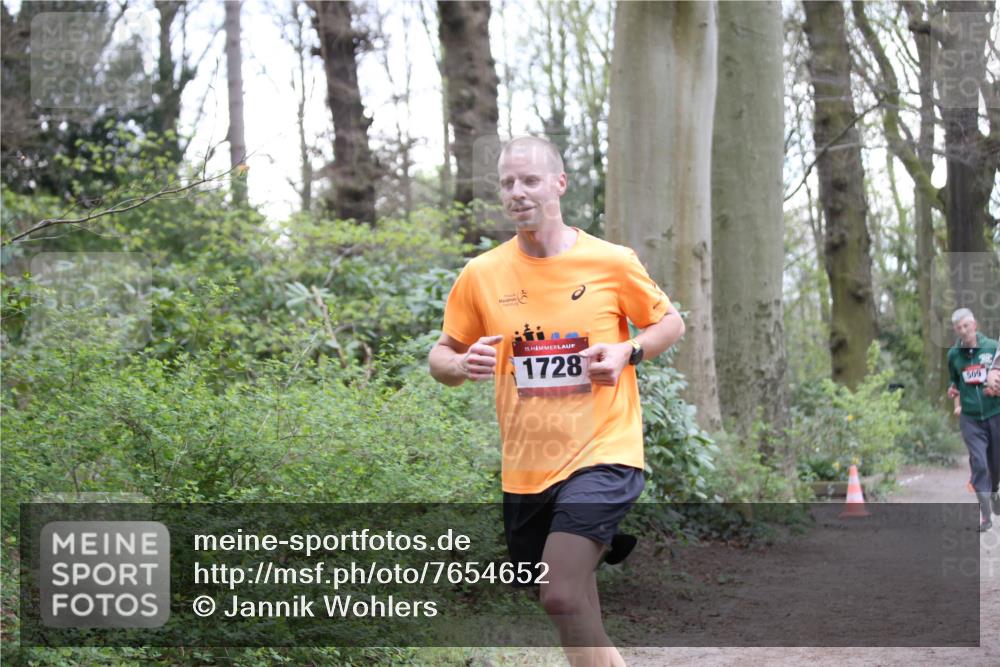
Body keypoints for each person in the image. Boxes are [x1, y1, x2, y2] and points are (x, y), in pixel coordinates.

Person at [428, 136, 684, 666]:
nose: (517, 192)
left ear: (559, 184)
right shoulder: (481, 274)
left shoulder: (611, 262)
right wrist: (460, 364)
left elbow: (669, 322)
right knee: (574, 605)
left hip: (602, 453)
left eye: (530, 180)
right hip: (526, 469)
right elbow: (441, 356)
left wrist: (628, 350)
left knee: (561, 593)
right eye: (507, 183)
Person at [946, 308, 1000, 532]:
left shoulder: (992, 347)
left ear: (974, 325)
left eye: (966, 326)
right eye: (958, 328)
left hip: (995, 413)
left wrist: (996, 388)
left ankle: (995, 489)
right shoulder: (953, 356)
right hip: (970, 419)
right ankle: (985, 515)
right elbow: (954, 382)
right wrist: (954, 397)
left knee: (995, 464)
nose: (962, 331)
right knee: (978, 463)